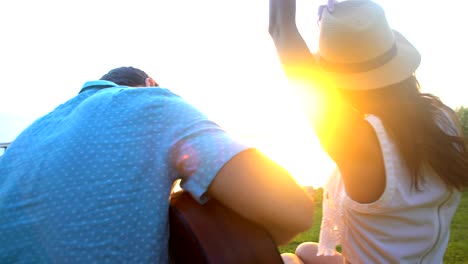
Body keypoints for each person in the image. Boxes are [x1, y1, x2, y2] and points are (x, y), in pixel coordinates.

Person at [0, 66, 314, 263]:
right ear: (152, 83)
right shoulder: (152, 103)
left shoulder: (28, 137)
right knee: (306, 258)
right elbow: (292, 209)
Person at [269, 0, 468, 263]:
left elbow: (281, 29)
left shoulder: (358, 143)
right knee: (306, 250)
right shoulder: (443, 118)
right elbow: (281, 30)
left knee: (287, 260)